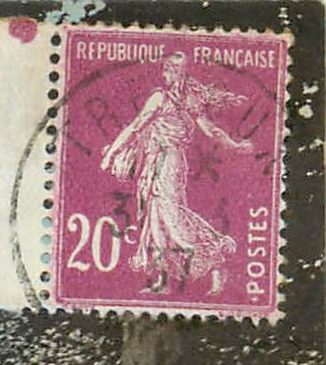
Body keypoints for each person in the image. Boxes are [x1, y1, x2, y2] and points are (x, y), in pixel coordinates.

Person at [99, 51, 253, 296]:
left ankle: (215, 262)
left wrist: (110, 155)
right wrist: (235, 145)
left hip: (167, 162)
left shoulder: (162, 98)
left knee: (172, 218)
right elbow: (211, 131)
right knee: (156, 217)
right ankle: (162, 279)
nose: (165, 74)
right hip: (161, 162)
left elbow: (136, 126)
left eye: (167, 69)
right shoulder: (187, 99)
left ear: (173, 71)